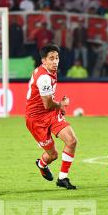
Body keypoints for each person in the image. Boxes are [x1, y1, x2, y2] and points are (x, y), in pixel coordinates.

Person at [25, 44, 78, 189]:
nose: (55, 61)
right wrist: (61, 105)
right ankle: (41, 164)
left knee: (72, 141)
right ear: (43, 61)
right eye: (51, 59)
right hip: (35, 119)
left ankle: (63, 178)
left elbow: (48, 104)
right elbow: (47, 104)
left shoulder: (51, 71)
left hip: (50, 114)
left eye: (57, 58)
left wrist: (58, 108)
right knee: (52, 155)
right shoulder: (43, 78)